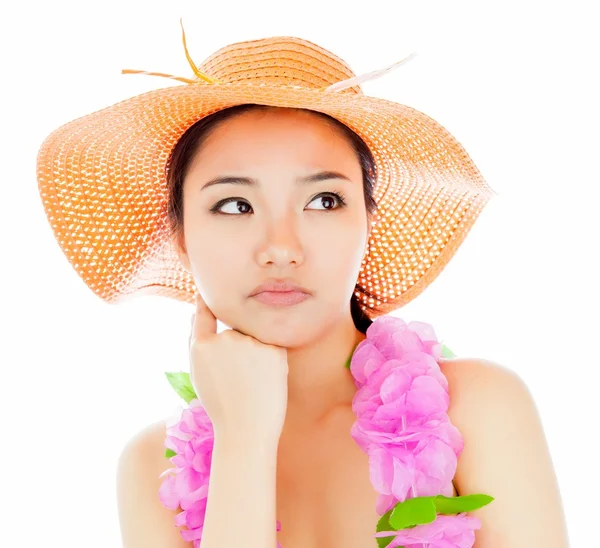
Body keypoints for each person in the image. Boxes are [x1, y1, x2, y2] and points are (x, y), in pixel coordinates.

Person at [36, 25, 569, 548]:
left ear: (368, 222)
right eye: (235, 205)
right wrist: (244, 439)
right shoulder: (154, 469)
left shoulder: (475, 408)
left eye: (324, 201)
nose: (281, 246)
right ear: (179, 236)